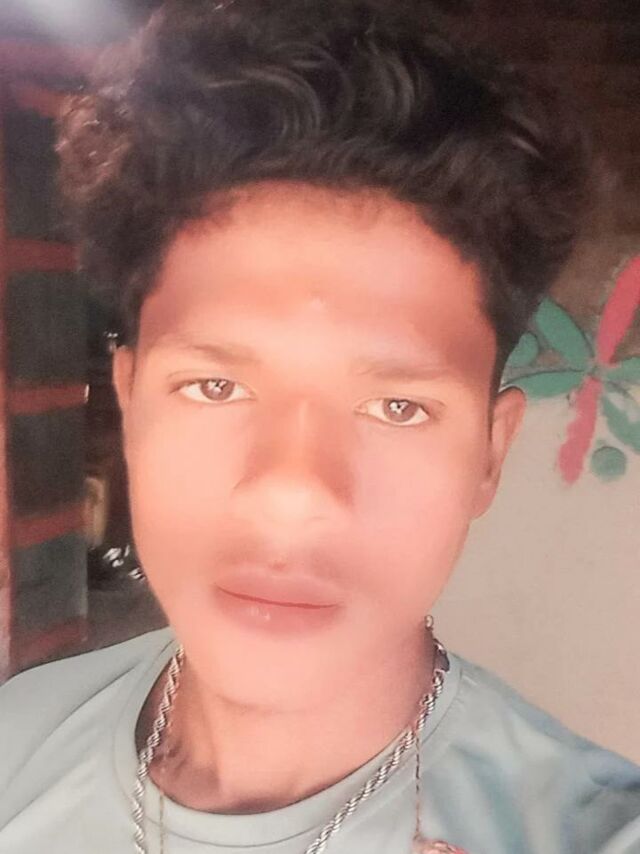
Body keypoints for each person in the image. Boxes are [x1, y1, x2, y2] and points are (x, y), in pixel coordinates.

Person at [0, 1, 638, 852]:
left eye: (397, 407)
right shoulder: (14, 742)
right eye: (216, 386)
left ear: (489, 455)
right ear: (130, 403)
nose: (292, 494)